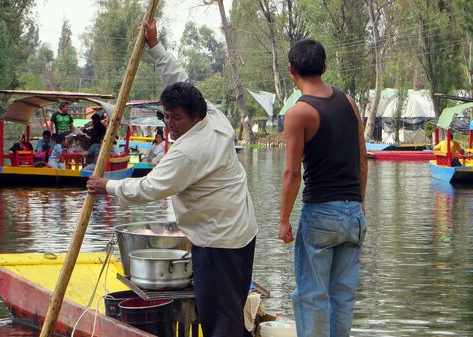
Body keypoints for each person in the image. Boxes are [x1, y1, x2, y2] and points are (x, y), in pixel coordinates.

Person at [87, 19, 257, 337]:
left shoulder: (189, 151)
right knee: (230, 311)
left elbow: (149, 187)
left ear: (195, 116)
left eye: (176, 119)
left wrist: (106, 186)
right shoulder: (213, 116)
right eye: (166, 117)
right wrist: (155, 45)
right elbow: (179, 79)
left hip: (218, 242)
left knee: (220, 322)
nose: (170, 126)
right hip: (242, 232)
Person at [279, 39, 368, 337]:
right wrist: (360, 204)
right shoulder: (349, 102)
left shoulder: (299, 113)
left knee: (312, 296)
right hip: (353, 211)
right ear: (324, 67)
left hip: (320, 214)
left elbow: (292, 174)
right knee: (342, 296)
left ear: (292, 70)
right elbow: (361, 159)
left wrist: (283, 220)